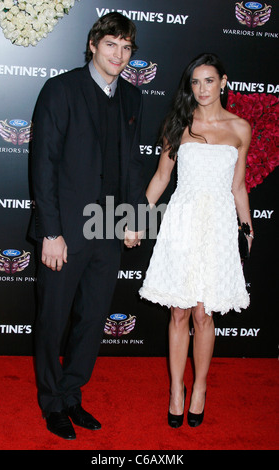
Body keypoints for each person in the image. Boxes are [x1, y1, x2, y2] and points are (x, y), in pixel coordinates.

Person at [30, 12, 146, 440]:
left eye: (127, 47)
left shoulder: (133, 99)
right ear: (94, 45)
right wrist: (51, 232)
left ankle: (73, 394)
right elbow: (43, 165)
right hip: (65, 232)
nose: (119, 54)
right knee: (52, 321)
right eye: (112, 44)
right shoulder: (60, 89)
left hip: (109, 229)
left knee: (93, 320)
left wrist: (134, 218)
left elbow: (132, 164)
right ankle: (50, 403)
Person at [139, 53, 254, 428]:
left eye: (209, 80)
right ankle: (177, 389)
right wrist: (137, 218)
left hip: (219, 225)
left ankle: (200, 387)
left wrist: (247, 225)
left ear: (223, 81)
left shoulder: (240, 128)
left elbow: (238, 185)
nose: (201, 89)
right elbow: (160, 178)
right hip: (183, 222)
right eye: (195, 82)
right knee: (179, 311)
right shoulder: (179, 124)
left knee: (204, 314)